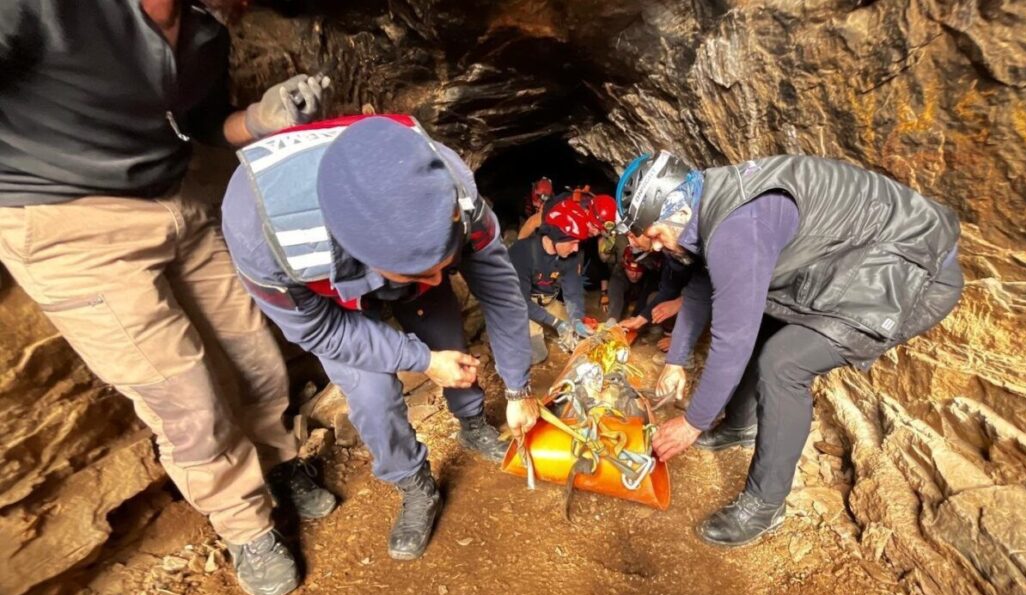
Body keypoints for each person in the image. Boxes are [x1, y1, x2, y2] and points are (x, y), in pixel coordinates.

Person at [0, 0, 336, 595]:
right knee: (186, 399)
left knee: (253, 352)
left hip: (176, 200)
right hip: (67, 227)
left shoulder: (203, 32)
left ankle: (280, 464)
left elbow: (205, 122)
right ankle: (246, 524)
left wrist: (265, 115)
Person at [221, 114, 541, 564]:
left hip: (388, 259)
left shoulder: (453, 190)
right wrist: (421, 360)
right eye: (420, 271)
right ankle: (414, 485)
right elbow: (320, 331)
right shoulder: (267, 239)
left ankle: (472, 425)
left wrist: (517, 387)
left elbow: (501, 292)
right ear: (363, 257)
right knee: (372, 394)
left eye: (442, 263)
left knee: (445, 332)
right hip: (330, 301)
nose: (436, 277)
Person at [616, 152, 962, 547]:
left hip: (911, 277)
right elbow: (700, 285)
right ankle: (739, 427)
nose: (658, 247)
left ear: (677, 208)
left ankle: (765, 505)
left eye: (658, 235)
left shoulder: (737, 228)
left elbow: (734, 340)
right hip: (859, 262)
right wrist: (676, 360)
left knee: (783, 364)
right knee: (764, 323)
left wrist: (692, 422)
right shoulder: (712, 201)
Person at [508, 197, 598, 364]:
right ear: (556, 236)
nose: (576, 249)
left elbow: (573, 292)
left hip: (548, 301)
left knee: (580, 338)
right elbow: (521, 302)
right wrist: (556, 323)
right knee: (536, 354)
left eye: (578, 243)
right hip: (524, 305)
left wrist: (577, 318)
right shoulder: (521, 252)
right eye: (572, 243)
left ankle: (545, 328)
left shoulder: (573, 254)